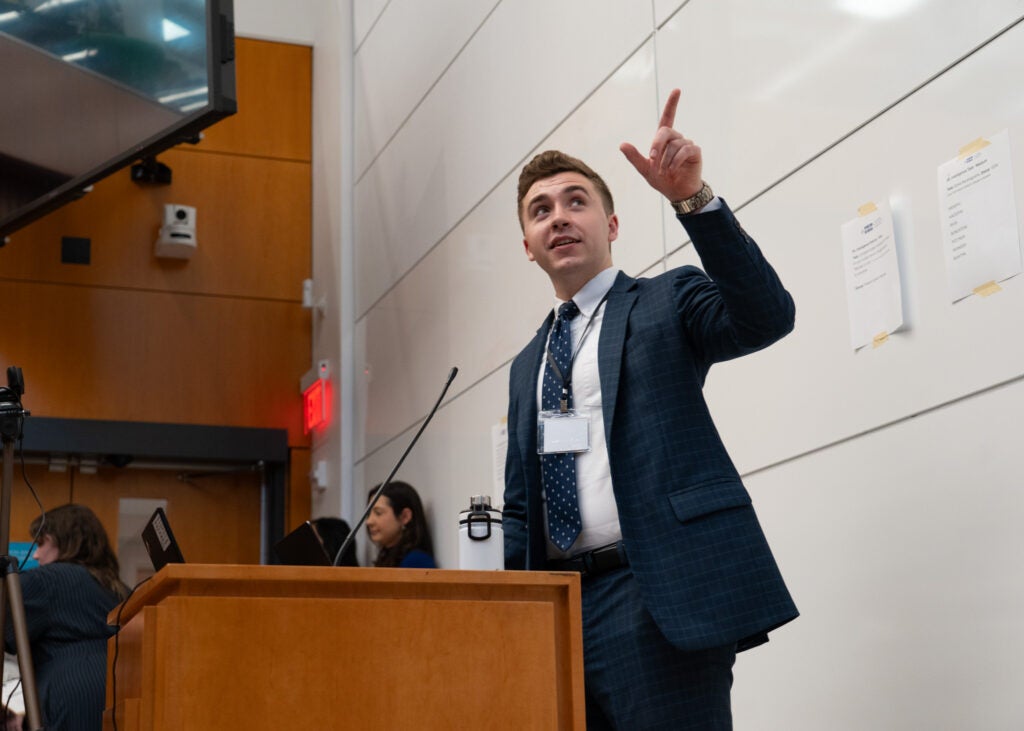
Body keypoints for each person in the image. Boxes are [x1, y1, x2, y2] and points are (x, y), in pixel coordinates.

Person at [502, 88, 799, 730]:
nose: (559, 217)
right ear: (527, 245)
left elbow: (766, 317)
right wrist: (514, 617)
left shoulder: (668, 300)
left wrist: (691, 199)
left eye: (577, 202)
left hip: (657, 596)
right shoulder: (529, 364)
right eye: (540, 210)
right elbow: (522, 506)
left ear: (611, 226)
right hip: (557, 613)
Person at [3, 504, 129, 731]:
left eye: (42, 543)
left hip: (71, 695)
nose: (36, 554)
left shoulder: (51, 580)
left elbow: (6, 606)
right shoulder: (119, 589)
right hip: (121, 694)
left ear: (66, 542)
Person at [365, 481, 436, 568]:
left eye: (378, 513)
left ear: (405, 517)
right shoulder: (386, 556)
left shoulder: (417, 561)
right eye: (368, 514)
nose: (369, 521)